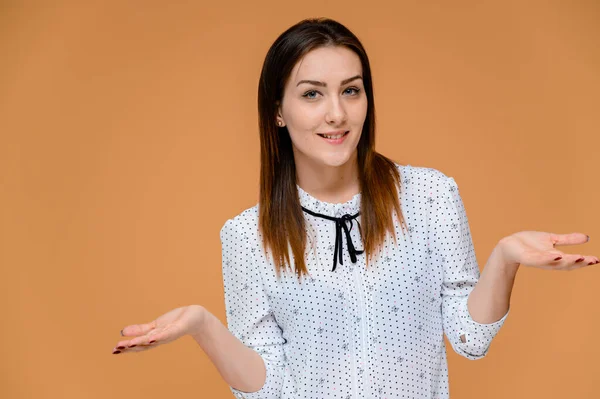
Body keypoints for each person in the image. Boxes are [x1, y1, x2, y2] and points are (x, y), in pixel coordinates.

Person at [111, 17, 598, 399]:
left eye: (351, 89)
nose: (337, 114)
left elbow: (470, 339)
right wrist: (203, 324)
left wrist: (505, 258)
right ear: (278, 111)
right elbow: (271, 388)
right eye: (311, 95)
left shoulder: (430, 196)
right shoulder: (246, 236)